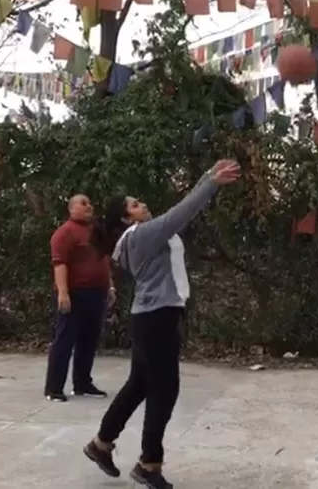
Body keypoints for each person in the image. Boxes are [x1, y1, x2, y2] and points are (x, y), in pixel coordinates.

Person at [82, 159, 241, 489]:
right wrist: (211, 182)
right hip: (156, 319)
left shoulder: (141, 235)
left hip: (154, 316)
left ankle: (101, 444)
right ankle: (149, 464)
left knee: (139, 386)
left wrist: (208, 175)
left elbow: (178, 211)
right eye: (135, 205)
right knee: (164, 390)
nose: (143, 205)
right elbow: (181, 213)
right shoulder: (141, 235)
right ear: (128, 218)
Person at [44, 194, 116, 402]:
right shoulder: (64, 233)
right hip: (75, 294)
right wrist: (63, 292)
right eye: (83, 203)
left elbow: (103, 260)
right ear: (71, 209)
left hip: (97, 292)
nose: (88, 206)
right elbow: (60, 264)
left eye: (89, 202)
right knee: (65, 340)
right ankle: (54, 388)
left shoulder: (94, 232)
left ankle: (82, 383)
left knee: (89, 340)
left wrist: (110, 286)